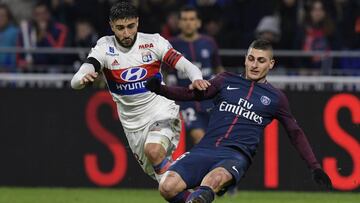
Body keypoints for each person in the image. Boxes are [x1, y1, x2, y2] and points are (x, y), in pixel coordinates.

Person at [146, 39, 332, 203]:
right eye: (251, 59)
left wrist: (314, 166)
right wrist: (160, 89)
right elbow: (190, 94)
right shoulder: (225, 80)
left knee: (210, 184)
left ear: (271, 64)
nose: (254, 65)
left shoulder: (276, 98)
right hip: (205, 148)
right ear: (245, 59)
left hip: (235, 156)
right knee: (167, 187)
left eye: (261, 60)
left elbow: (294, 132)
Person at [70, 1, 210, 182]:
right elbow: (79, 77)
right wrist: (82, 79)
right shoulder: (104, 47)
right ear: (111, 25)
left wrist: (196, 78)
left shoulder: (154, 43)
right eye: (120, 28)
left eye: (130, 26)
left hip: (162, 112)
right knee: (167, 187)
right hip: (133, 127)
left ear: (137, 21)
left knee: (153, 150)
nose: (126, 33)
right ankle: (193, 186)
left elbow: (187, 66)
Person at [165, 6, 224, 144]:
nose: (188, 23)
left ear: (198, 22)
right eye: (184, 19)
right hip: (186, 101)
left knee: (216, 140)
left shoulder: (209, 42)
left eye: (192, 19)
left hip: (210, 99)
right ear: (179, 23)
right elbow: (164, 71)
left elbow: (218, 67)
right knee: (199, 137)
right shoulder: (171, 44)